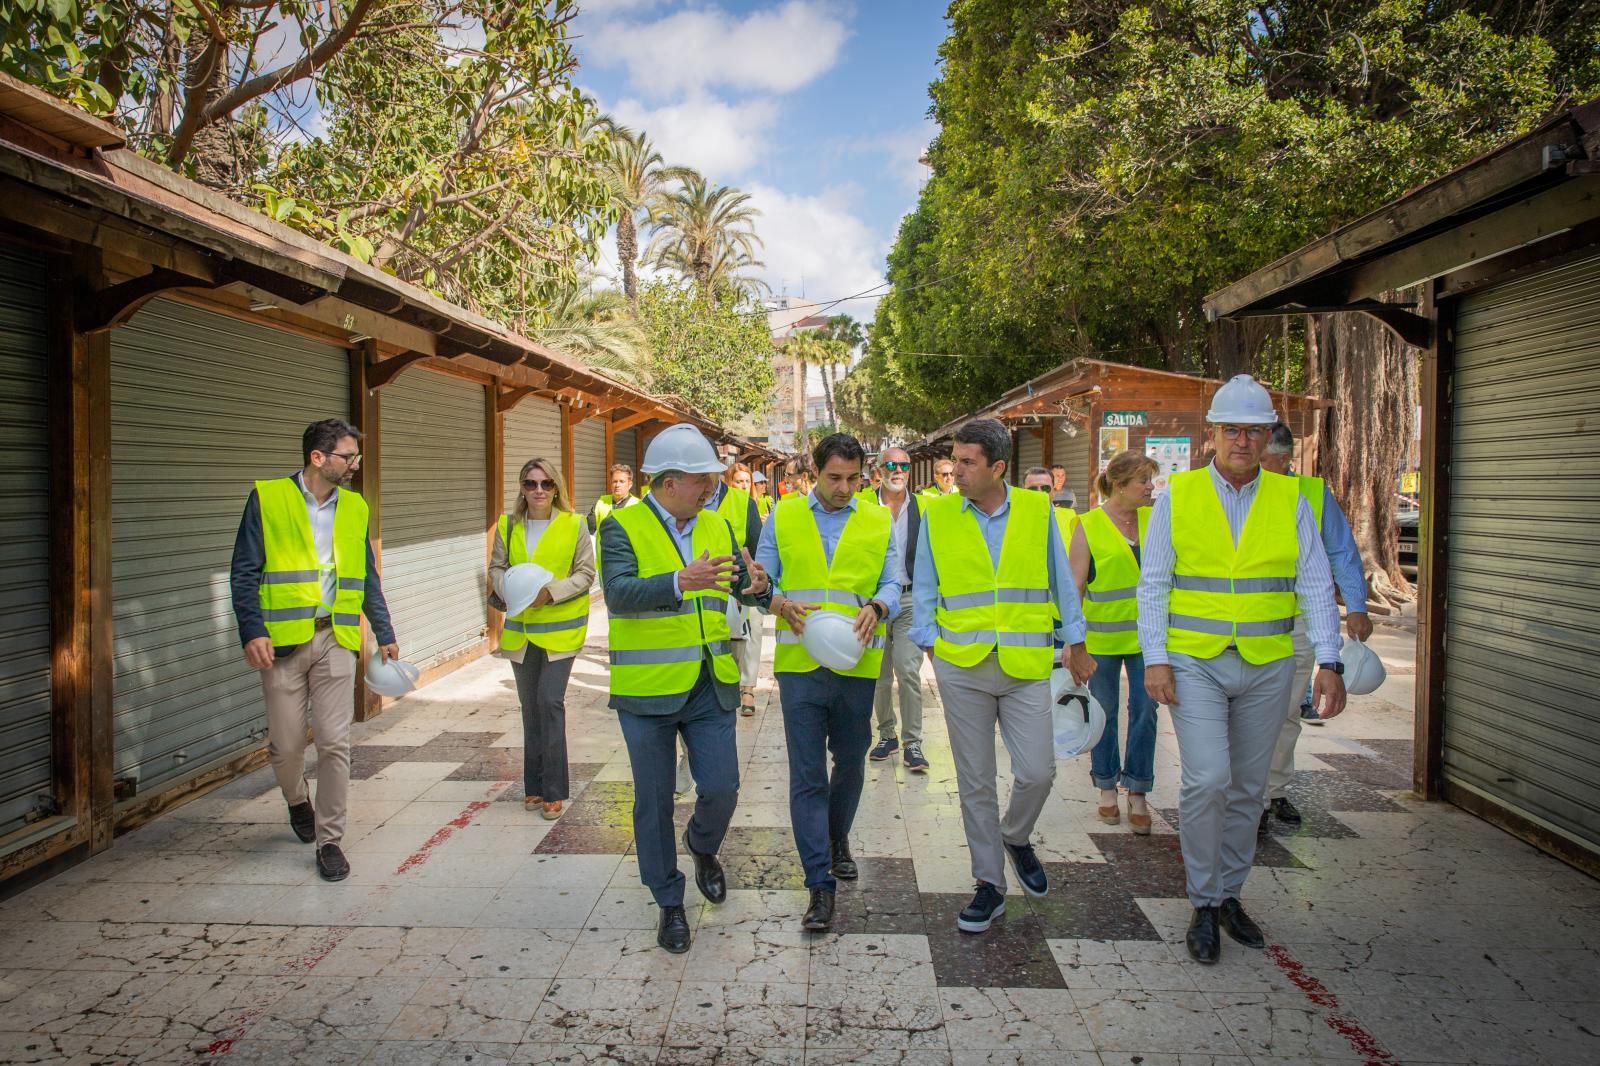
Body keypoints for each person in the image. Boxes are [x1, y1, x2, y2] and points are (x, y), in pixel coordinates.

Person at [1137, 375, 1345, 964]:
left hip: (1268, 663)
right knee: (1206, 780)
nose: (1243, 443)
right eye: (1233, 431)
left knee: (1249, 791)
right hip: (1195, 661)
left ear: (1266, 438)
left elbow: (1312, 583)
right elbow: (1153, 585)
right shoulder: (1179, 496)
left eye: (1254, 433)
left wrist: (1328, 660)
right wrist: (1155, 658)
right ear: (1214, 434)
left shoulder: (1292, 501)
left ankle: (1230, 894)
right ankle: (1203, 901)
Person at [912, 418, 1096, 934]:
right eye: (956, 461)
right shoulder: (940, 514)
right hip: (961, 665)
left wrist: (1075, 642)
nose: (956, 472)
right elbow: (924, 584)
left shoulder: (1039, 512)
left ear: (997, 468)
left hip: (1024, 663)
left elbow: (1062, 582)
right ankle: (988, 884)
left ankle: (1016, 836)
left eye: (968, 463)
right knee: (974, 782)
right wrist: (930, 643)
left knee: (1038, 771)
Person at [598, 424, 771, 954]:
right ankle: (669, 902)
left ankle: (702, 844)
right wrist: (679, 582)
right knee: (652, 801)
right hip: (646, 689)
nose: (711, 488)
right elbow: (619, 594)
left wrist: (762, 588)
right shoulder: (622, 527)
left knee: (721, 787)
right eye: (702, 480)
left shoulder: (718, 524)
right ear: (670, 482)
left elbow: (740, 583)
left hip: (709, 683)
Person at [230, 418, 397, 883]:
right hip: (282, 641)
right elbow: (243, 570)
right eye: (348, 456)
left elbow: (365, 574)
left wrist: (383, 630)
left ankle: (330, 841)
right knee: (285, 747)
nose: (355, 465)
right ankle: (296, 800)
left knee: (334, 742)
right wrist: (251, 629)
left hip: (337, 637)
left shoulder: (356, 506)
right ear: (318, 457)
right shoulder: (268, 498)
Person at [757, 433, 900, 930]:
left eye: (852, 478)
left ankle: (837, 840)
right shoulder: (784, 516)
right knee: (807, 775)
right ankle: (819, 885)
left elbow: (892, 581)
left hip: (856, 666)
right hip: (799, 668)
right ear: (812, 474)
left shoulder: (879, 519)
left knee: (851, 761)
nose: (843, 487)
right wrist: (777, 602)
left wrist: (878, 606)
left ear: (864, 475)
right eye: (833, 477)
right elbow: (763, 580)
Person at [1258, 423, 1371, 831]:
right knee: (1249, 715)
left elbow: (1342, 552)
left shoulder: (1311, 493)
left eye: (1264, 457)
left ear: (1285, 459)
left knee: (1286, 712)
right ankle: (1246, 796)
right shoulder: (1234, 490)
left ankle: (1272, 793)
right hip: (1246, 623)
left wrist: (1356, 605)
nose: (1254, 461)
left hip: (1298, 623)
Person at [490, 458, 595, 820]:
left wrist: (551, 592)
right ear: (521, 488)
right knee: (530, 708)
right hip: (521, 632)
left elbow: (586, 573)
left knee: (550, 702)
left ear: (557, 488)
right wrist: (510, 589)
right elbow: (497, 567)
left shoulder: (574, 524)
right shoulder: (508, 525)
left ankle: (553, 789)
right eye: (531, 484)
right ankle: (533, 786)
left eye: (546, 484)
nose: (538, 491)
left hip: (561, 631)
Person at [1068, 451, 1158, 834]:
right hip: (1102, 640)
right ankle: (1106, 787)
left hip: (1149, 641)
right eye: (1144, 481)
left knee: (1146, 712)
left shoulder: (1157, 520)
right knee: (1103, 713)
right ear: (1120, 485)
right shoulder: (1088, 525)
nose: (1151, 487)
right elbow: (1075, 587)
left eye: (1152, 480)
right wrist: (1073, 643)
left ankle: (1137, 790)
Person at [868, 447, 928, 773]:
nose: (898, 470)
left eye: (904, 465)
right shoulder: (863, 506)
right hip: (874, 603)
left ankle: (913, 742)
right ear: (879, 469)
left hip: (909, 600)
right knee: (878, 676)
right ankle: (886, 734)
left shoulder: (923, 507)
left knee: (907, 671)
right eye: (891, 464)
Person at [726, 462, 765, 715]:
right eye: (738, 481)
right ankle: (730, 686)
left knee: (754, 633)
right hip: (723, 583)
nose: (743, 485)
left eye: (746, 481)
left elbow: (758, 546)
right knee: (731, 640)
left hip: (748, 580)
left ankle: (748, 688)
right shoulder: (717, 505)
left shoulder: (750, 506)